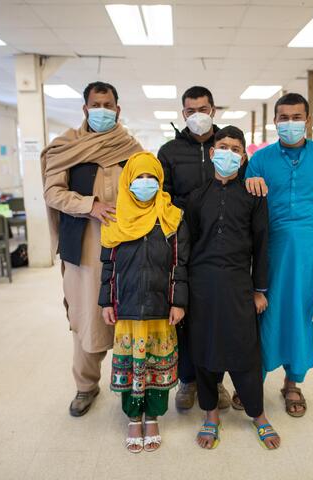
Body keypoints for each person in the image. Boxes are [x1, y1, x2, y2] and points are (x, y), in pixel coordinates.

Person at [157, 86, 267, 410]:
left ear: (213, 110)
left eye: (202, 109)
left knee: (232, 330)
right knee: (192, 326)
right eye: (190, 111)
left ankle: (219, 384)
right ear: (183, 114)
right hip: (189, 248)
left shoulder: (233, 154)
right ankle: (189, 382)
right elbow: (162, 195)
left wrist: (256, 179)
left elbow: (253, 218)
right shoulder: (170, 152)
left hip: (232, 265)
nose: (197, 116)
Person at [42, 81, 143, 418]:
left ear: (118, 108)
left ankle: (133, 385)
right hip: (85, 248)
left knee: (130, 316)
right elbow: (53, 193)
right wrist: (89, 204)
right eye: (96, 104)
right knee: (87, 317)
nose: (102, 109)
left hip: (128, 249)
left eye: (108, 104)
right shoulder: (66, 147)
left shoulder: (131, 147)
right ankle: (86, 386)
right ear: (85, 109)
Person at [243, 93, 313, 417]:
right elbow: (245, 203)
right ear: (275, 121)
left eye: (296, 116)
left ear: (308, 119)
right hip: (271, 251)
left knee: (304, 318)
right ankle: (252, 382)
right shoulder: (260, 160)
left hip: (312, 253)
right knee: (265, 316)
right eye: (284, 117)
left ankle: (292, 383)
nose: (290, 122)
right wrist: (250, 181)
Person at [186, 126, 280, 450]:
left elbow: (261, 245)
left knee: (245, 350)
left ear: (243, 157)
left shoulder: (254, 196)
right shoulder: (196, 198)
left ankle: (258, 414)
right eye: (222, 146)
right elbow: (188, 247)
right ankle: (211, 414)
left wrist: (259, 290)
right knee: (205, 349)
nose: (228, 152)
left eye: (235, 149)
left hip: (239, 284)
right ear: (213, 153)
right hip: (202, 285)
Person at [98, 152, 188, 453]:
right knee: (133, 365)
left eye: (152, 177)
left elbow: (179, 264)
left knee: (156, 365)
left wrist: (178, 302)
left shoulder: (172, 216)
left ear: (160, 181)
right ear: (128, 181)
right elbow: (108, 267)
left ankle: (153, 416)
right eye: (139, 177)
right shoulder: (116, 218)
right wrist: (107, 302)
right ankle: (133, 416)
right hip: (127, 308)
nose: (145, 183)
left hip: (161, 310)